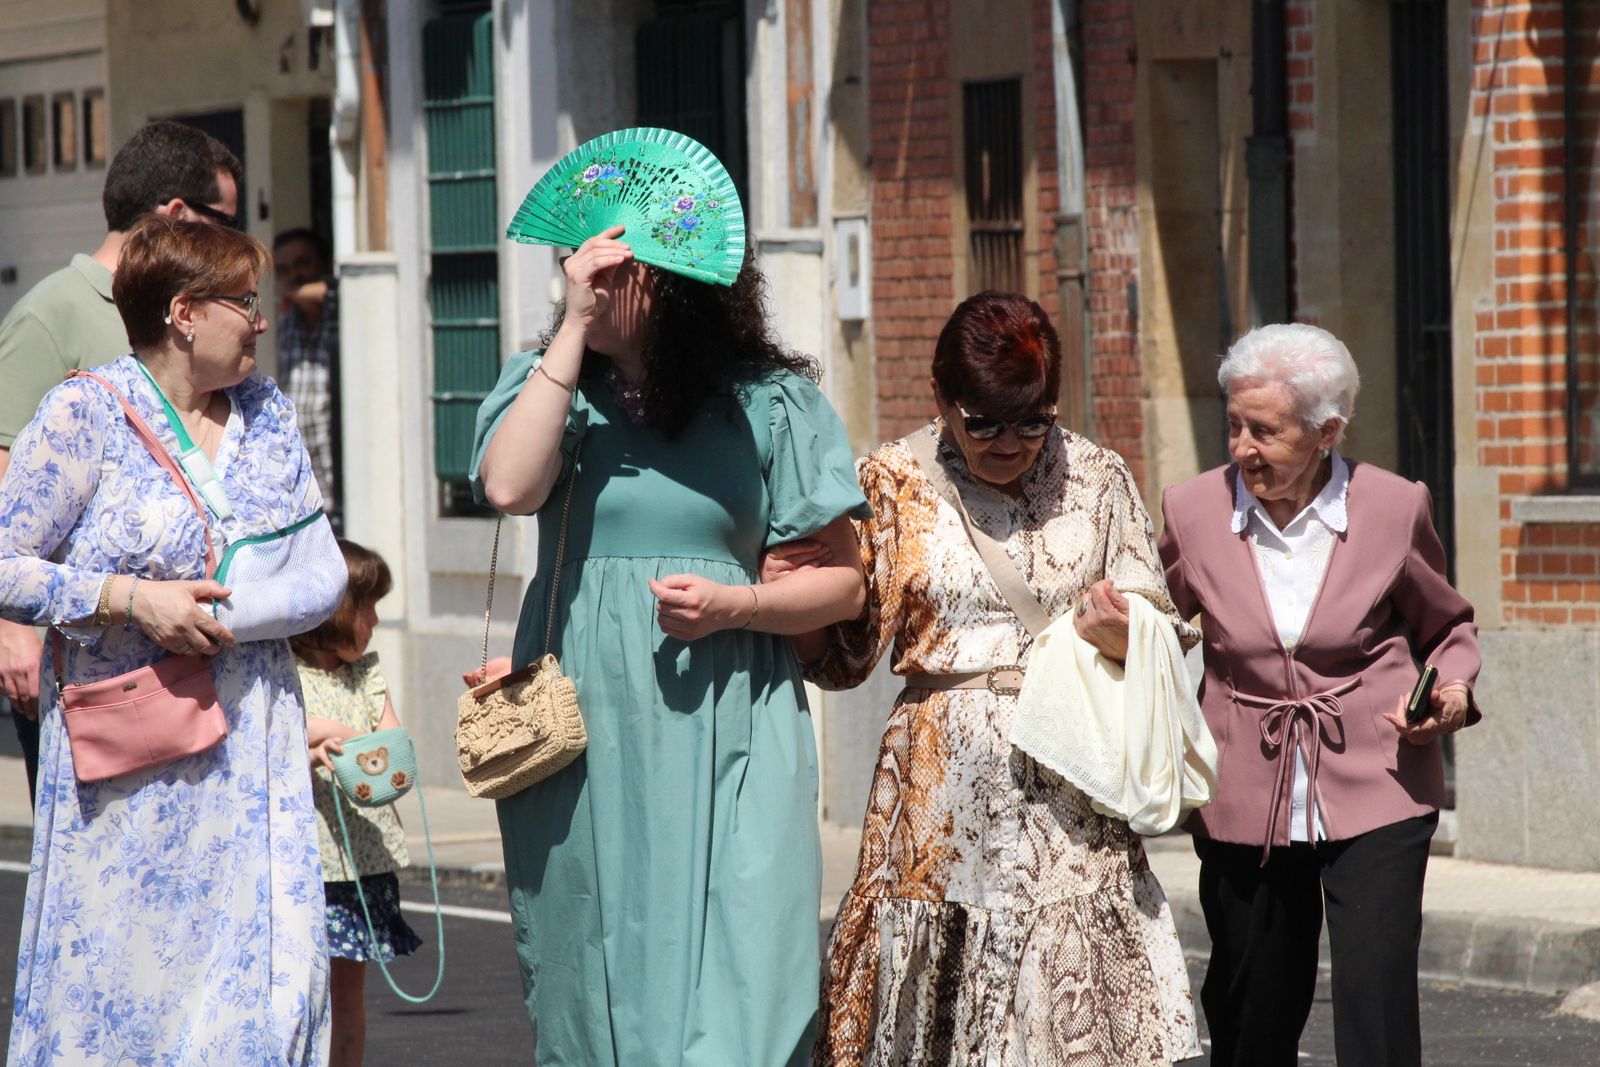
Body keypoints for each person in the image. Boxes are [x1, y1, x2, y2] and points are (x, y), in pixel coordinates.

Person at [471, 222, 870, 1066]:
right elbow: (509, 484)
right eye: (579, 270)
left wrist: (739, 604)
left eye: (616, 272)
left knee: (753, 960)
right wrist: (571, 332)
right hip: (586, 723)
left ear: (679, 285)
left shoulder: (769, 402)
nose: (591, 284)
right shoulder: (553, 387)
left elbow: (844, 584)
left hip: (737, 710)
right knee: (595, 968)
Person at [769, 291, 1202, 1066]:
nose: (1011, 442)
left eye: (1033, 420)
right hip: (939, 795)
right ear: (941, 400)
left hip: (1071, 792)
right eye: (985, 422)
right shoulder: (891, 481)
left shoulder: (1098, 475)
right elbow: (845, 653)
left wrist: (1123, 631)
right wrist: (790, 590)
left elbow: (1163, 626)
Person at [0, 214, 345, 1064]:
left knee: (264, 993)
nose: (260, 321)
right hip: (135, 774)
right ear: (186, 312)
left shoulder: (264, 412)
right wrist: (127, 597)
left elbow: (323, 572)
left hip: (254, 752)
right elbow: (5, 564)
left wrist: (232, 620)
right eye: (244, 303)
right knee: (133, 994)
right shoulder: (84, 413)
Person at [1156, 322, 1481, 1067]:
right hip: (1243, 785)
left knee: (1376, 997)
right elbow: (1155, 620)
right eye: (1232, 424)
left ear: (1327, 430)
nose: (1240, 447)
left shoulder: (1395, 507)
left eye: (1263, 431)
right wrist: (1115, 627)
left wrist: (1452, 693)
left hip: (1379, 777)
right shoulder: (1192, 510)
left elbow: (1448, 625)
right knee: (1251, 1004)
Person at [0, 120, 243, 808]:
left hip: (189, 660)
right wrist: (13, 632)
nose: (229, 237)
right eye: (224, 218)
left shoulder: (187, 311)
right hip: (91, 657)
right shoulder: (52, 314)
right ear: (175, 214)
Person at [295, 539, 421, 1067]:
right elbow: (271, 755)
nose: (373, 620)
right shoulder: (283, 674)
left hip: (361, 868)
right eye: (367, 607)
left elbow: (394, 762)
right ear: (336, 611)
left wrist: (333, 736)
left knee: (348, 1000)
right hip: (307, 868)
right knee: (299, 997)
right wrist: (314, 741)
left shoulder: (366, 675)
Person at [273, 228, 341, 525]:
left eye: (303, 264)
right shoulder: (288, 322)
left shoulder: (344, 311)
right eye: (284, 270)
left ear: (325, 265)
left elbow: (341, 289)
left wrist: (294, 294)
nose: (294, 276)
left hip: (346, 472)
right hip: (310, 485)